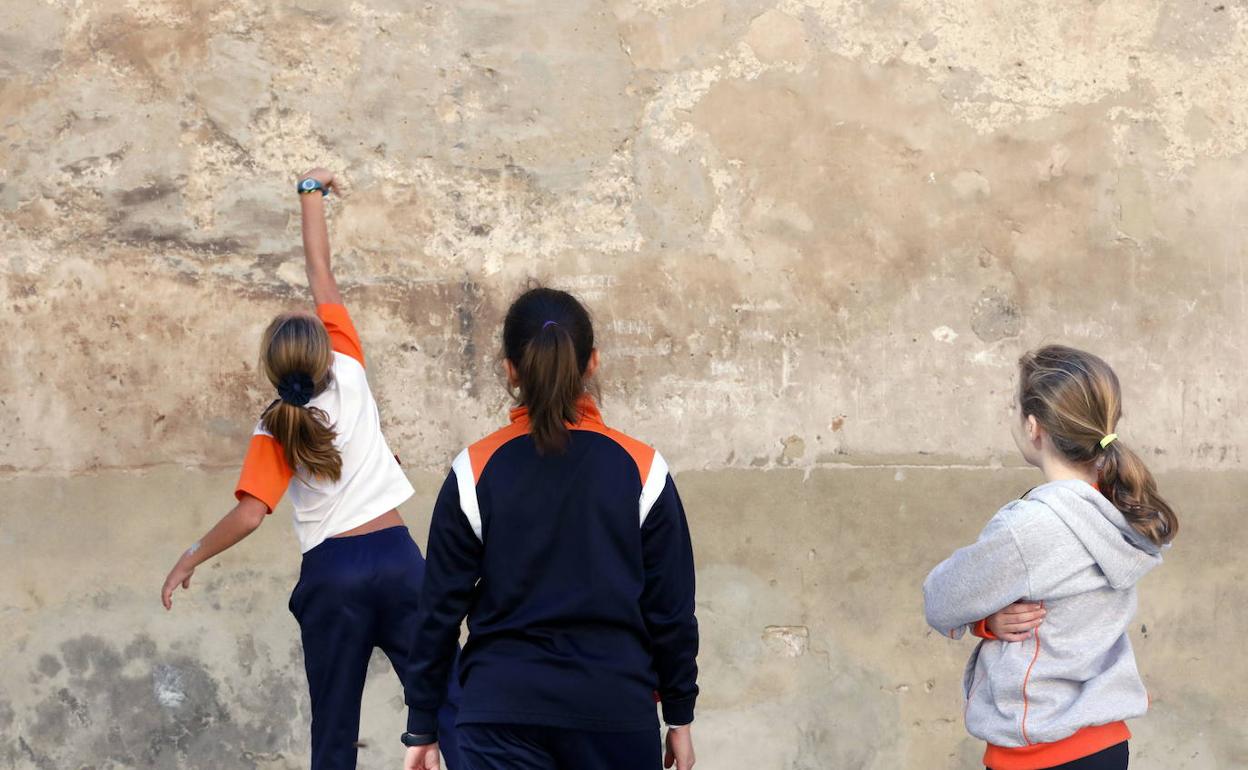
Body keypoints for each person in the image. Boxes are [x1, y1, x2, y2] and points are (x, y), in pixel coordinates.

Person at [160, 168, 459, 770]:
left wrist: (192, 553)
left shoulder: (275, 425)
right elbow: (321, 270)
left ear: (274, 371)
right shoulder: (350, 365)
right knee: (450, 709)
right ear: (325, 348)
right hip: (399, 561)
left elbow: (250, 514)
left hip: (332, 577)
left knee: (333, 733)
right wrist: (310, 190)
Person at [399, 288, 699, 770]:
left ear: (510, 370)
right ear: (593, 363)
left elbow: (437, 609)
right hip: (615, 712)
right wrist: (680, 716)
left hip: (499, 713)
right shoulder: (643, 469)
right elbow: (671, 611)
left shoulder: (474, 469)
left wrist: (422, 725)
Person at [924, 345, 1178, 770]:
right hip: (1108, 744)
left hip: (1038, 751)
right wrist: (990, 620)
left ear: (1032, 426)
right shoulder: (1123, 505)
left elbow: (941, 599)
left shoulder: (1030, 527)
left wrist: (979, 619)